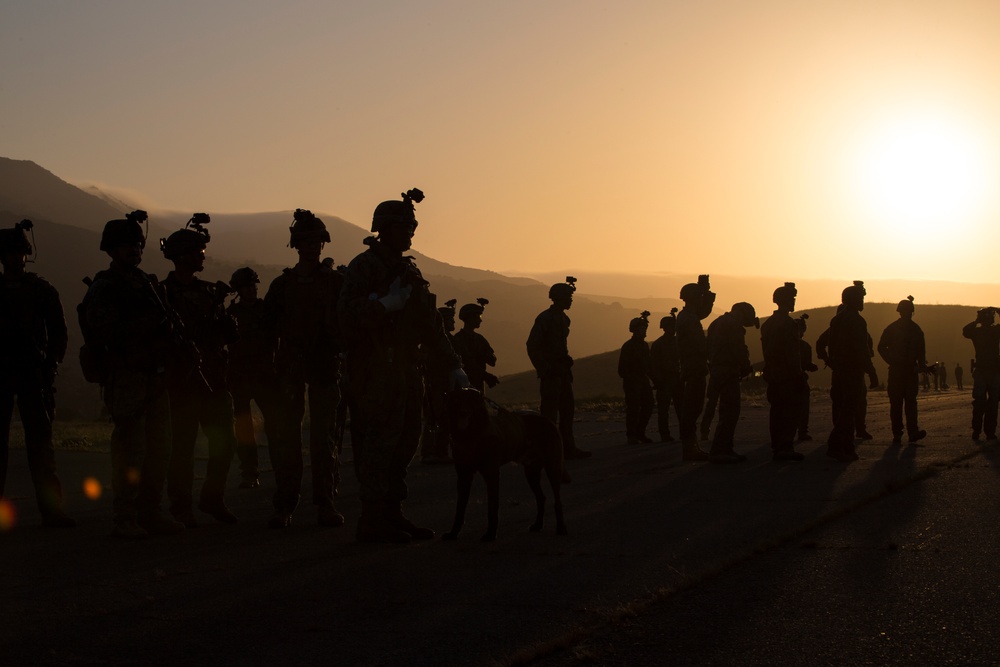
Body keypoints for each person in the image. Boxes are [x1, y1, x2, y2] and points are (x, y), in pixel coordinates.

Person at [339, 189, 468, 543]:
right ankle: (371, 519)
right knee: (380, 444)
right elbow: (345, 316)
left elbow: (430, 323)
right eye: (405, 226)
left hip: (407, 369)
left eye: (413, 226)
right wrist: (384, 306)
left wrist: (454, 364)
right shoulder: (364, 267)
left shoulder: (409, 268)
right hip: (376, 370)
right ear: (385, 228)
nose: (411, 233)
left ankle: (392, 512)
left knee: (406, 441)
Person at [82, 211, 185, 537]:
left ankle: (150, 512)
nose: (134, 251)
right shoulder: (105, 286)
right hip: (127, 376)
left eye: (137, 245)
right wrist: (148, 328)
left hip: (155, 376)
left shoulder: (147, 284)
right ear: (111, 249)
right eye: (126, 245)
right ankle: (124, 518)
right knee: (131, 449)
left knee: (160, 448)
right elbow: (104, 332)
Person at [263, 209, 345, 529]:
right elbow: (267, 330)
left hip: (325, 365)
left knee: (323, 439)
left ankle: (325, 502)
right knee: (288, 438)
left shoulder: (337, 283)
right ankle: (285, 505)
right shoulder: (282, 285)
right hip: (291, 366)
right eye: (306, 241)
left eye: (316, 241)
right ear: (296, 245)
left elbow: (349, 321)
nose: (312, 247)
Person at [160, 214, 239, 526]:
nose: (202, 257)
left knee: (226, 443)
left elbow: (231, 335)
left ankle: (211, 497)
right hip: (182, 382)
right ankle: (181, 506)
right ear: (182, 256)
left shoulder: (210, 293)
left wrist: (222, 321)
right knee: (182, 449)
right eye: (197, 252)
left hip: (214, 379)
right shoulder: (163, 295)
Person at [0, 220, 74, 527]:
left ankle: (52, 509)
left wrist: (50, 364)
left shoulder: (41, 291)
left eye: (19, 253)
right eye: (10, 253)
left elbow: (58, 333)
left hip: (34, 373)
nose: (16, 258)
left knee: (41, 447)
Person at [226, 267, 280, 489]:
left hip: (265, 375)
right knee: (244, 428)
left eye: (254, 286)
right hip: (239, 377)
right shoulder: (231, 314)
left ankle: (281, 470)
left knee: (275, 427)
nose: (252, 290)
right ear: (239, 290)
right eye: (247, 286)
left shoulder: (267, 311)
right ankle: (249, 472)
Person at [527, 276, 591, 460]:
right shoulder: (545, 318)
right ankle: (546, 450)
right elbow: (532, 345)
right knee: (549, 414)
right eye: (568, 297)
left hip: (562, 372)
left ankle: (567, 448)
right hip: (551, 373)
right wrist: (544, 369)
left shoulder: (564, 319)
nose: (571, 300)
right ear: (559, 298)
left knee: (567, 411)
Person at [825, 281, 876, 462]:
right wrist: (872, 372)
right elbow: (861, 349)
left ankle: (847, 447)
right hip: (852, 371)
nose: (863, 301)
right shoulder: (857, 320)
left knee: (844, 410)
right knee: (848, 411)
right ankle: (836, 444)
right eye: (861, 298)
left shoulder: (837, 320)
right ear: (853, 299)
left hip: (839, 371)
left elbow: (831, 346)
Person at [705, 302, 757, 463]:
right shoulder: (733, 326)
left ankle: (725, 449)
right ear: (742, 313)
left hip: (717, 371)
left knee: (725, 411)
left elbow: (708, 347)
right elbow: (738, 350)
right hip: (728, 372)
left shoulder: (717, 322)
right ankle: (720, 450)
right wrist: (746, 366)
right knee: (730, 412)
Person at [760, 283, 806, 461]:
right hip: (787, 375)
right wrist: (798, 374)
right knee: (789, 411)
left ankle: (778, 445)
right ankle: (785, 446)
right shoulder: (787, 323)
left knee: (777, 412)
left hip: (773, 373)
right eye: (792, 298)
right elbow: (791, 353)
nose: (793, 301)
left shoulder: (768, 323)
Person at [877, 296, 929, 445]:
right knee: (899, 403)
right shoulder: (908, 329)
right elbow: (882, 347)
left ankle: (907, 433)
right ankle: (900, 433)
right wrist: (892, 361)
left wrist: (920, 365)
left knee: (906, 403)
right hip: (899, 371)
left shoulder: (909, 329)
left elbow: (921, 351)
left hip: (906, 371)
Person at [675, 275, 715, 461]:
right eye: (698, 296)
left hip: (694, 367)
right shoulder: (688, 319)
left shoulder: (688, 315)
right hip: (693, 368)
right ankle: (689, 448)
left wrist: (705, 291)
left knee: (693, 408)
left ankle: (691, 447)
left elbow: (703, 311)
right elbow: (699, 344)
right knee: (692, 409)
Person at [420, 299, 457, 464]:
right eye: (450, 320)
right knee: (436, 418)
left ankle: (437, 451)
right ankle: (432, 453)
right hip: (435, 384)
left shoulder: (447, 340)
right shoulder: (436, 341)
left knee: (442, 418)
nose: (453, 322)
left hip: (443, 383)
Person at [962, 307, 1000, 441]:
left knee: (979, 403)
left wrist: (977, 320)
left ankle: (977, 431)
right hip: (993, 372)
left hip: (983, 371)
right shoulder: (996, 331)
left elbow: (965, 331)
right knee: (993, 403)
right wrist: (998, 310)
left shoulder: (977, 332)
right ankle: (989, 432)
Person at [618, 311, 654, 444]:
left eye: (645, 328)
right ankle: (632, 435)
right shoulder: (628, 346)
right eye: (642, 329)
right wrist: (632, 378)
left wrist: (654, 379)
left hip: (642, 380)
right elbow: (622, 369)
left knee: (648, 405)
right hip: (632, 381)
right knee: (633, 408)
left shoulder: (644, 346)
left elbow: (648, 365)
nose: (644, 331)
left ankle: (640, 432)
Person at [452, 298, 499, 394]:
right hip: (464, 384)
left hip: (478, 383)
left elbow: (492, 360)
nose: (480, 320)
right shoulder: (458, 340)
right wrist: (484, 375)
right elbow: (466, 365)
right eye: (478, 316)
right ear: (470, 318)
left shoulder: (479, 338)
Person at [649, 309, 681, 443]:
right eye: (670, 327)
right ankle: (664, 434)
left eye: (674, 327)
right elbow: (653, 366)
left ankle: (685, 433)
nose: (672, 330)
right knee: (663, 410)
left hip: (677, 379)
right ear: (664, 328)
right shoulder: (658, 344)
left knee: (681, 409)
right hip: (664, 380)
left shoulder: (677, 342)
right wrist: (658, 381)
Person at [796, 313, 819, 442]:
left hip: (783, 379)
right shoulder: (804, 346)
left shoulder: (783, 343)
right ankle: (802, 431)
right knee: (803, 407)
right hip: (799, 380)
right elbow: (807, 365)